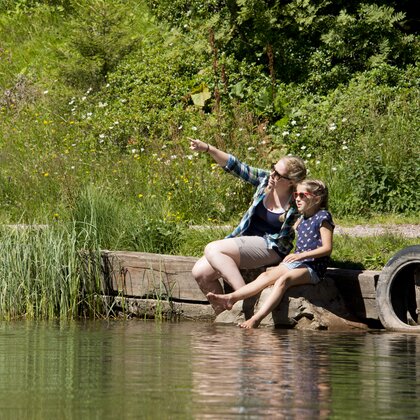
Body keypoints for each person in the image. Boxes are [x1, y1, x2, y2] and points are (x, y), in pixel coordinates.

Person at [189, 138, 307, 314]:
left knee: (213, 249)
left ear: (290, 181)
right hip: (245, 241)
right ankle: (224, 317)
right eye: (273, 169)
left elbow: (316, 218)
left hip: (271, 247)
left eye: (278, 174)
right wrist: (207, 148)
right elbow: (234, 165)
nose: (272, 175)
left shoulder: (297, 200)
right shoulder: (263, 181)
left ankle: (244, 298)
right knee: (200, 272)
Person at [207, 179, 334, 328]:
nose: (297, 199)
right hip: (297, 262)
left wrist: (301, 255)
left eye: (302, 195)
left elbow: (327, 248)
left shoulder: (323, 217)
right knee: (265, 276)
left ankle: (256, 318)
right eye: (295, 195)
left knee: (283, 280)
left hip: (312, 266)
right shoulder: (302, 218)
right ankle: (231, 298)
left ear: (317, 199)